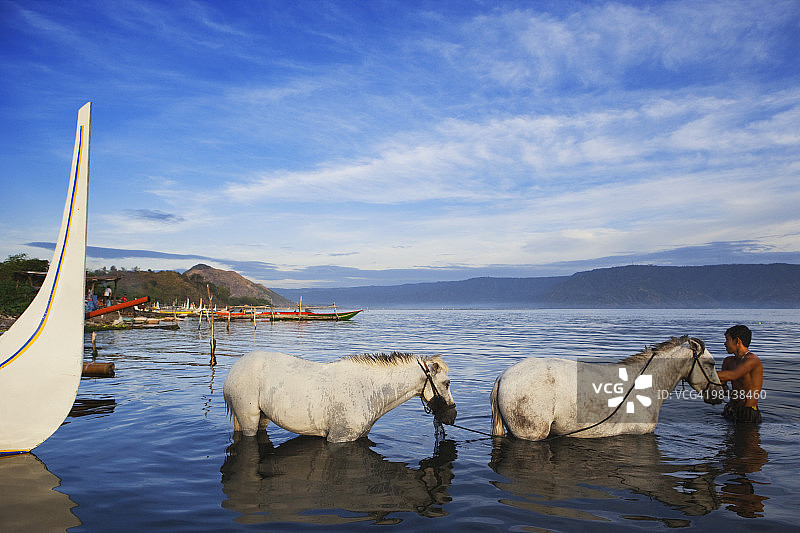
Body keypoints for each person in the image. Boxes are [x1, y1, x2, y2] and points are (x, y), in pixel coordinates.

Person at [718, 325, 763, 423]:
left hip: (748, 412)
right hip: (731, 409)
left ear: (737, 341)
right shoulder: (728, 361)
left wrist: (702, 371)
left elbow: (733, 375)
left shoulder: (752, 360)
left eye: (727, 339)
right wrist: (729, 392)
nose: (724, 343)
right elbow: (721, 384)